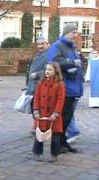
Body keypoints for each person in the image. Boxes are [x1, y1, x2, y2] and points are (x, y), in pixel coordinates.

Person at [47, 24, 83, 153]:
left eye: (76, 32)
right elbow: (53, 61)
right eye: (73, 32)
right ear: (66, 33)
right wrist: (71, 62)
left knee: (68, 116)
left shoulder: (71, 46)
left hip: (73, 87)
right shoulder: (57, 46)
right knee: (62, 116)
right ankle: (58, 143)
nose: (76, 35)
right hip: (65, 87)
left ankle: (63, 141)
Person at [32, 62, 65, 163]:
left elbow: (60, 99)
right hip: (42, 114)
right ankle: (37, 153)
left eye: (50, 69)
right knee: (39, 135)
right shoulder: (40, 83)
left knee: (55, 136)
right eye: (46, 69)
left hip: (53, 116)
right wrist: (36, 110)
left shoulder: (60, 84)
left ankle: (54, 154)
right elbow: (36, 97)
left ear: (56, 71)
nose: (47, 71)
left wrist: (56, 112)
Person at [26, 37, 49, 133]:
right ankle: (37, 126)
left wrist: (37, 74)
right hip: (33, 86)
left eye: (43, 44)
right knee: (34, 107)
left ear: (48, 44)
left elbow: (51, 69)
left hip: (42, 86)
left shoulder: (49, 56)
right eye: (38, 44)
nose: (40, 46)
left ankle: (40, 127)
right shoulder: (37, 55)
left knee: (39, 107)